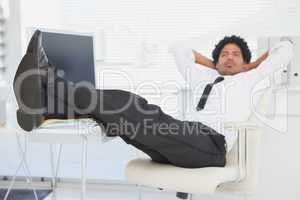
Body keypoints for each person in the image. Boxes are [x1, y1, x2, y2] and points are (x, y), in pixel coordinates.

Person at [13, 30, 269, 168]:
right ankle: (46, 110)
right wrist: (212, 65)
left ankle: (49, 83)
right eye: (224, 54)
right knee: (118, 119)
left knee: (130, 106)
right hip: (187, 139)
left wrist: (254, 66)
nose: (230, 58)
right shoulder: (202, 78)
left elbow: (284, 51)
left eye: (236, 55)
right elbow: (179, 48)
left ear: (246, 63)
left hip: (210, 146)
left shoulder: (250, 79)